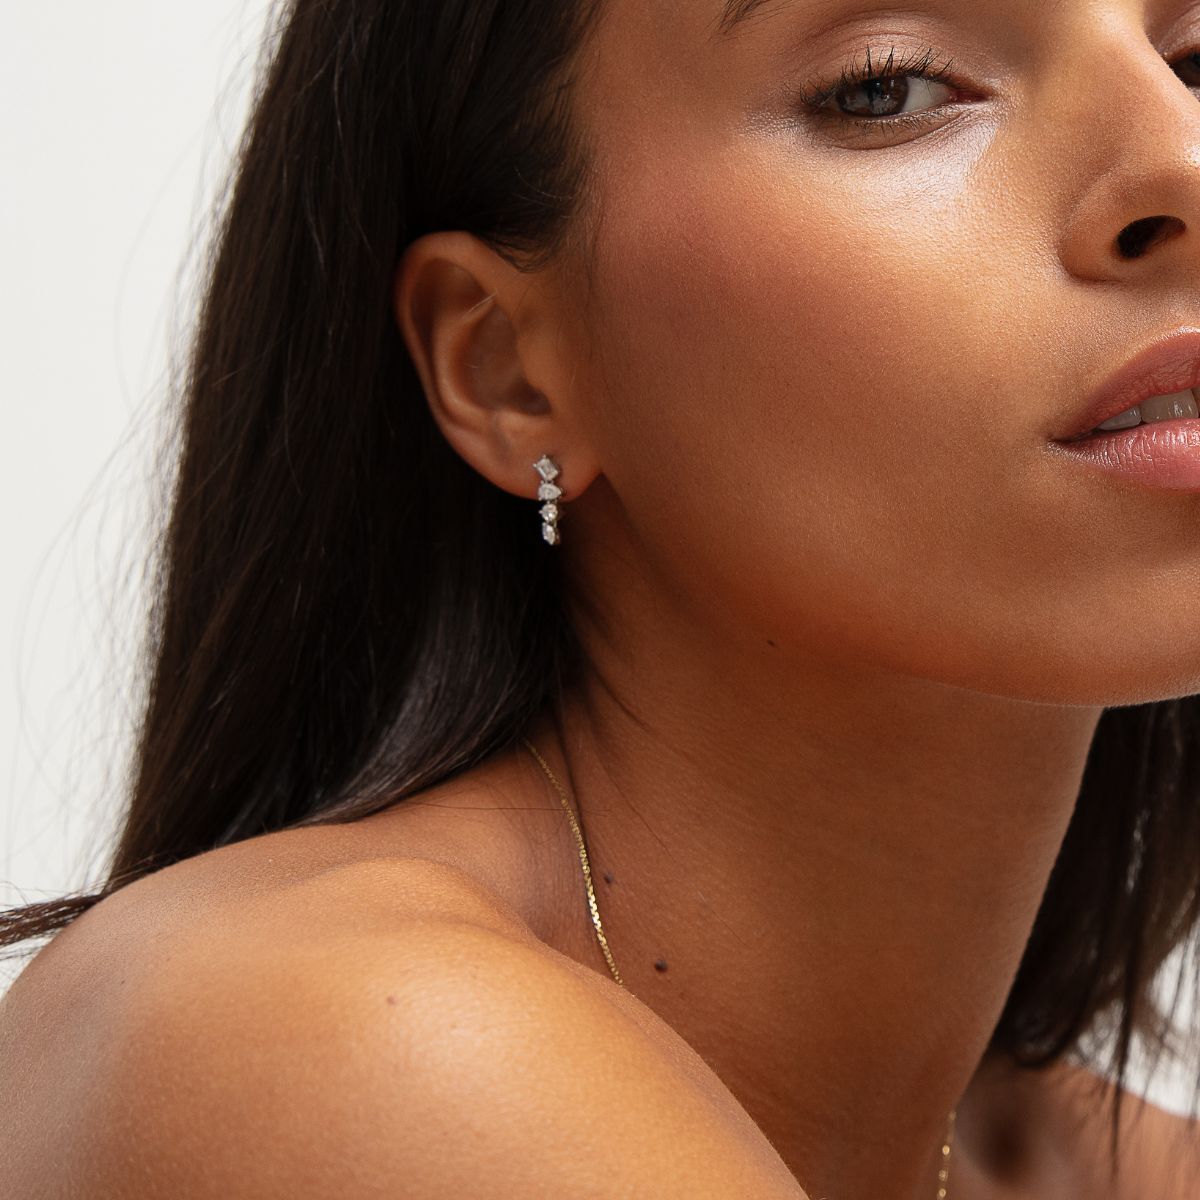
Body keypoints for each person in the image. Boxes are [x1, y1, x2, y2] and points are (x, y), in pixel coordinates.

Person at [3, 0, 1200, 1195]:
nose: (1181, 156)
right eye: (888, 85)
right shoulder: (347, 1033)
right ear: (506, 368)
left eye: (1196, 58)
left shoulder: (1094, 1161)